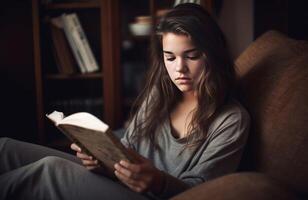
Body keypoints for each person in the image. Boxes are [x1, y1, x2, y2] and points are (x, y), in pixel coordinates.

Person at [0, 3, 250, 200]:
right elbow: (127, 146)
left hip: (153, 196)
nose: (179, 69)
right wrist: (100, 161)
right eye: (170, 57)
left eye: (192, 56)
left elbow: (203, 192)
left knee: (49, 171)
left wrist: (158, 182)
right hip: (118, 184)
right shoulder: (160, 95)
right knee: (7, 148)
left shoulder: (231, 120)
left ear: (213, 54)